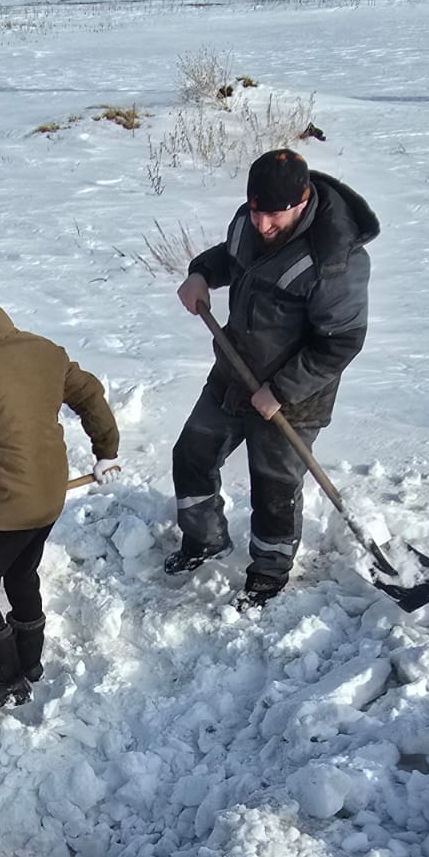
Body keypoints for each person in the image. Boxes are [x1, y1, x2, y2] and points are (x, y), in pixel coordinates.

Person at [169, 148, 379, 606]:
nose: (263, 225)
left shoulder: (335, 261)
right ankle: (204, 541)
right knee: (191, 455)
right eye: (256, 211)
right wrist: (201, 273)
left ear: (303, 201)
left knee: (275, 487)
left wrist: (281, 390)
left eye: (275, 215)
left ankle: (269, 571)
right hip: (233, 370)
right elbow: (233, 257)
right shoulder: (250, 221)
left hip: (293, 395)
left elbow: (341, 342)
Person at [0, 272, 120, 710]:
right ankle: (29, 661)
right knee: (19, 571)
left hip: (3, 504)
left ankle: (5, 680)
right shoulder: (44, 351)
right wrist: (106, 450)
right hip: (50, 494)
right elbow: (89, 393)